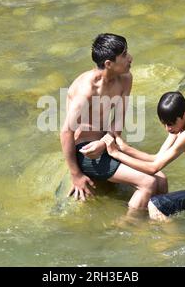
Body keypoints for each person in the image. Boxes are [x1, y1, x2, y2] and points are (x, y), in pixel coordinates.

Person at [60, 33, 168, 211]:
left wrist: (104, 143)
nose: (130, 58)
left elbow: (117, 124)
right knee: (148, 183)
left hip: (106, 143)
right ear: (109, 64)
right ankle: (129, 226)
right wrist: (76, 174)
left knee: (161, 179)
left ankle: (158, 219)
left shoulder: (125, 79)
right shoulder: (86, 90)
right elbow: (66, 132)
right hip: (86, 151)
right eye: (124, 55)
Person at [102, 91, 185, 221]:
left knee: (156, 206)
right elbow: (156, 158)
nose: (168, 129)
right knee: (159, 204)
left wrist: (116, 154)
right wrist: (125, 148)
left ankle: (172, 242)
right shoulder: (182, 125)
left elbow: (153, 168)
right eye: (164, 124)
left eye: (171, 124)